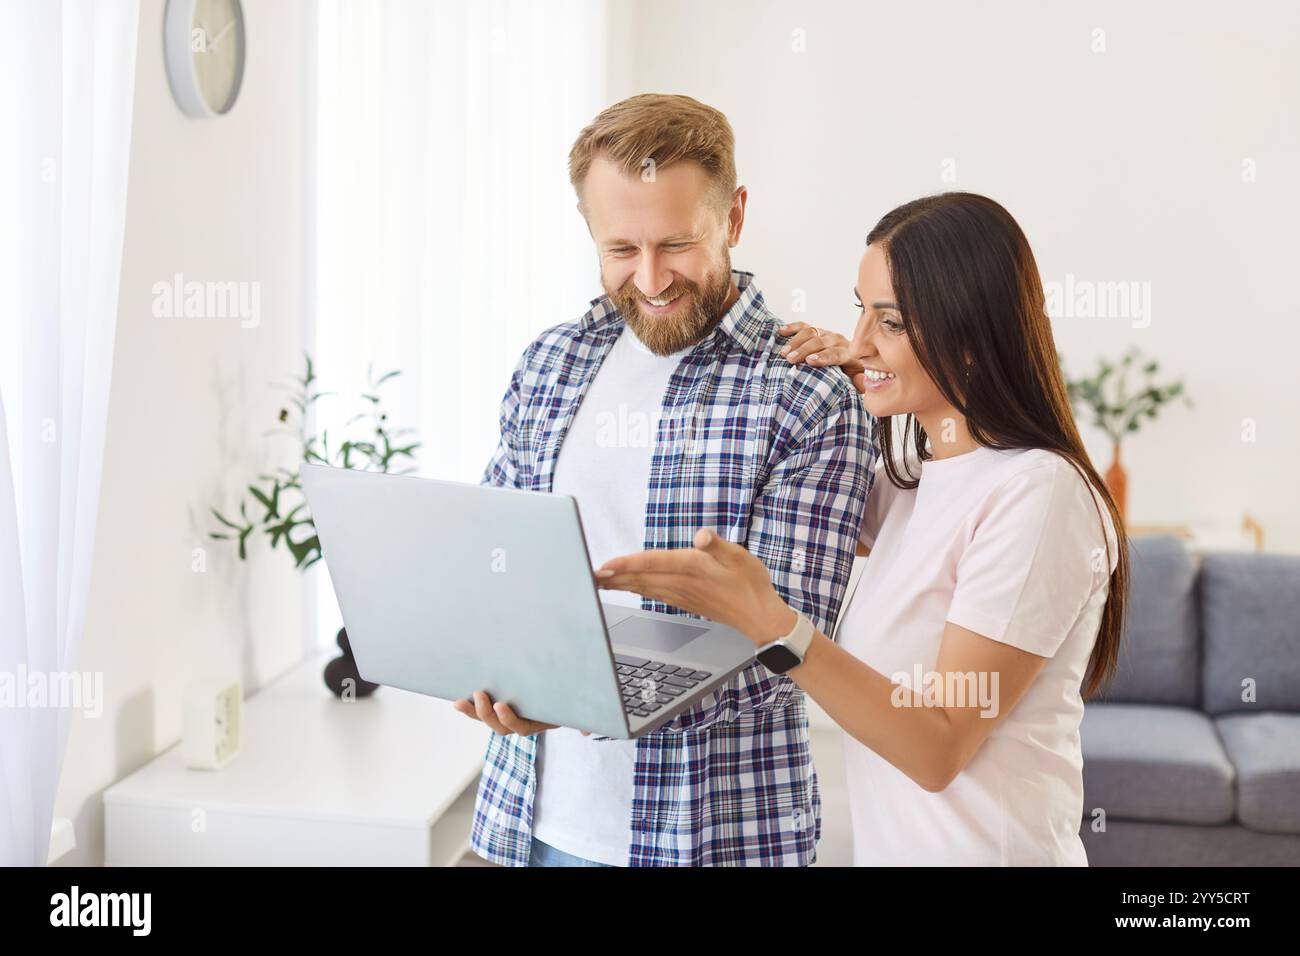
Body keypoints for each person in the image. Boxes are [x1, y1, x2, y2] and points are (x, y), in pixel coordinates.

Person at [597, 192, 1130, 865]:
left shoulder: (1039, 493)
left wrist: (775, 626)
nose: (860, 339)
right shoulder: (912, 482)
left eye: (894, 322)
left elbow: (937, 748)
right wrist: (844, 383)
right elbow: (780, 494)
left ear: (973, 330)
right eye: (861, 309)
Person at [452, 94, 876, 867]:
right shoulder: (549, 364)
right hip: (530, 826)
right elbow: (497, 558)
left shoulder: (805, 395)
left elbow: (789, 652)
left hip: (712, 841)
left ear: (735, 217)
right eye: (620, 248)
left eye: (676, 243)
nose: (650, 279)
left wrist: (581, 692)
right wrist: (490, 663)